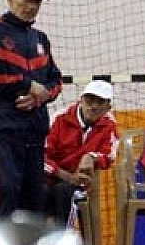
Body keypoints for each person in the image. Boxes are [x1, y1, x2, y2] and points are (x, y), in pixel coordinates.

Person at [0, 0, 62, 220]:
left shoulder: (41, 39)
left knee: (34, 199)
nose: (31, 5)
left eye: (37, 0)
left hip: (35, 132)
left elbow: (56, 81)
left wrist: (40, 97)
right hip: (3, 132)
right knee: (5, 192)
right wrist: (25, 83)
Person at [43, 80, 119, 225]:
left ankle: (62, 237)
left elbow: (109, 155)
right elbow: (41, 156)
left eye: (100, 102)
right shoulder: (59, 119)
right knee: (38, 191)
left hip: (79, 182)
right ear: (81, 100)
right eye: (90, 100)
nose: (94, 106)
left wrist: (91, 157)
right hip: (50, 176)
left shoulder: (109, 124)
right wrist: (63, 175)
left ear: (108, 107)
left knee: (64, 192)